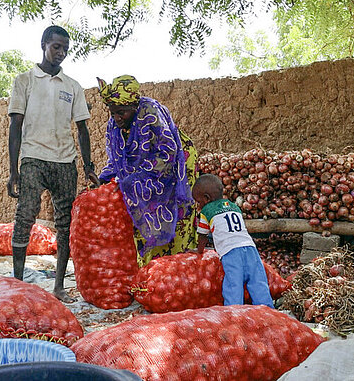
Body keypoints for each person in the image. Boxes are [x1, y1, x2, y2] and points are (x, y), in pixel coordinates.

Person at [8, 25, 99, 303]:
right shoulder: (24, 81)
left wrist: (88, 166)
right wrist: (13, 171)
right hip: (33, 158)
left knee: (65, 222)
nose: (60, 53)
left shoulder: (72, 87)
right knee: (25, 216)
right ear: (44, 44)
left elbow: (82, 130)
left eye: (65, 49)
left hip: (64, 162)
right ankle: (18, 282)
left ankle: (59, 285)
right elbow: (15, 125)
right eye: (56, 46)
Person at [97, 75, 199, 267]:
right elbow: (118, 158)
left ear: (134, 107)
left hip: (175, 166)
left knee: (176, 216)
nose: (117, 118)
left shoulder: (150, 111)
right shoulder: (115, 124)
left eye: (121, 113)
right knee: (143, 212)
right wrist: (104, 178)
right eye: (113, 113)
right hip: (145, 173)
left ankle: (176, 269)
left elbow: (168, 152)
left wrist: (136, 178)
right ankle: (150, 271)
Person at [193, 174, 274, 307]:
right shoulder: (234, 206)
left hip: (231, 252)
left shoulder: (206, 211)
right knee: (258, 281)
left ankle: (233, 313)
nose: (198, 205)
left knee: (233, 283)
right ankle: (269, 311)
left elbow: (202, 235)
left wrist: (199, 251)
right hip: (250, 247)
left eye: (198, 201)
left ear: (206, 199)